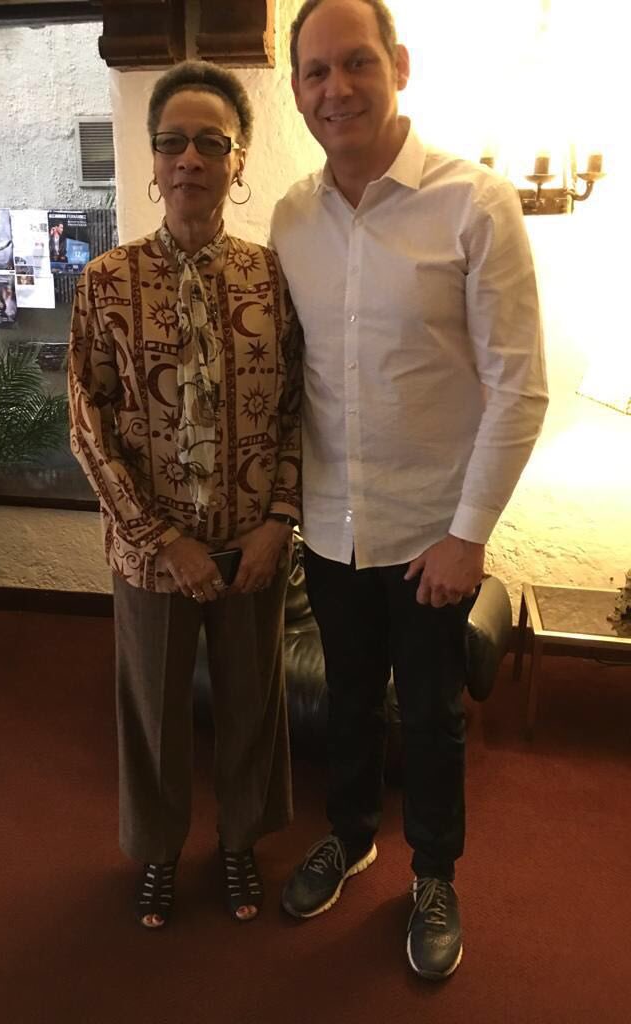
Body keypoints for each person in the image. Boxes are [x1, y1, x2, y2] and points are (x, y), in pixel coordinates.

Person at [270, 0, 548, 980]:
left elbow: (520, 385)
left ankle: (434, 874)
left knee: (429, 716)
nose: (336, 88)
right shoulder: (290, 217)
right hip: (330, 527)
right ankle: (350, 837)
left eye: (356, 63)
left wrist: (469, 536)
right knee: (347, 698)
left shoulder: (476, 204)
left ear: (398, 64)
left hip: (433, 534)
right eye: (315, 72)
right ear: (296, 89)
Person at [68, 61, 302, 930]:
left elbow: (296, 411)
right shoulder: (106, 281)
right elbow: (87, 425)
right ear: (154, 158)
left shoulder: (273, 279)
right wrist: (163, 540)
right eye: (174, 142)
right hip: (153, 553)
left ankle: (241, 842)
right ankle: (159, 853)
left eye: (212, 142)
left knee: (251, 705)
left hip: (253, 547)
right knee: (152, 713)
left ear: (238, 161)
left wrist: (280, 521)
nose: (191, 158)